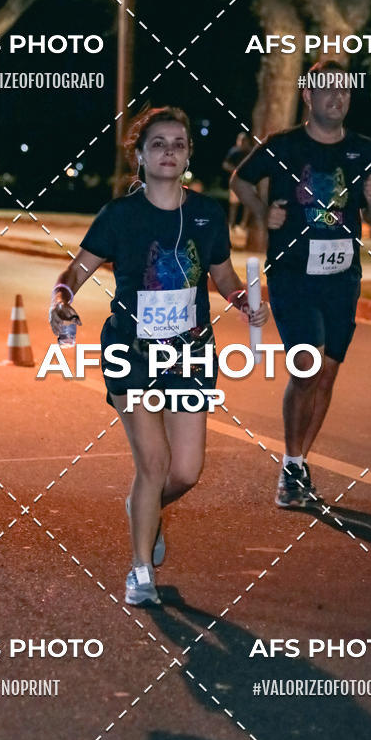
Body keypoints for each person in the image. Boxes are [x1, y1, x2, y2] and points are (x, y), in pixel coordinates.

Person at [50, 107, 269, 605]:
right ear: (140, 155)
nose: (169, 151)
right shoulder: (119, 216)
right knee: (154, 462)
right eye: (158, 144)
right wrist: (60, 302)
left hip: (191, 354)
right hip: (132, 353)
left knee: (186, 471)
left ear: (189, 154)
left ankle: (141, 510)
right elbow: (73, 275)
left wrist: (246, 304)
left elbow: (224, 278)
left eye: (178, 143)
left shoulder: (208, 214)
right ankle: (140, 570)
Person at [230, 60, 371, 509]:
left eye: (344, 91)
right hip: (293, 275)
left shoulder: (363, 150)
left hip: (342, 279)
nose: (336, 98)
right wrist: (263, 214)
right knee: (308, 367)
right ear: (308, 96)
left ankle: (297, 463)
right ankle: (292, 467)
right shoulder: (283, 145)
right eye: (326, 91)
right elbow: (239, 179)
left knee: (328, 372)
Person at [222, 132, 253, 235]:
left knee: (248, 203)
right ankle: (232, 224)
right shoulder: (234, 151)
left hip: (248, 182)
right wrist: (234, 169)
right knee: (234, 204)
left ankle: (243, 224)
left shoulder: (250, 152)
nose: (241, 143)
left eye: (243, 141)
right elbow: (225, 164)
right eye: (239, 140)